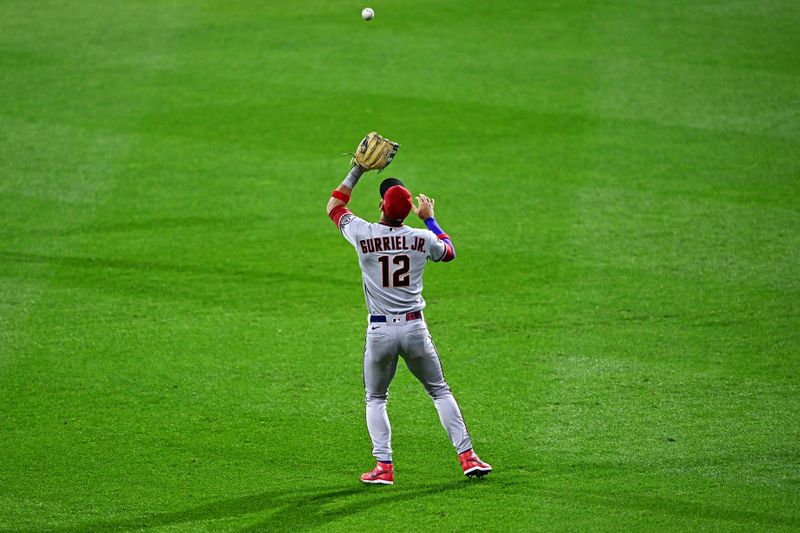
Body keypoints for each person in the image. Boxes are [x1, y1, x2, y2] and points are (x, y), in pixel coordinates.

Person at [326, 161, 492, 485]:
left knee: (376, 398)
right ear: (408, 212)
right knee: (439, 391)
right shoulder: (420, 238)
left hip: (380, 331)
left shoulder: (363, 233)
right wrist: (429, 218)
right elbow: (450, 251)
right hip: (415, 329)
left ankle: (384, 467)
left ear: (380, 207)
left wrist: (357, 170)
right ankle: (468, 456)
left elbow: (335, 206)